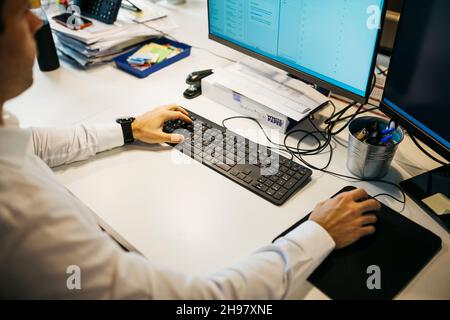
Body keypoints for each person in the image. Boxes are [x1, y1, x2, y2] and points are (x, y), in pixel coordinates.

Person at [0, 0, 380, 299]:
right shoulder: (23, 213)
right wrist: (318, 233)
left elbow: (31, 142)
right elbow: (200, 300)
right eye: (21, 13)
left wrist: (128, 130)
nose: (38, 23)